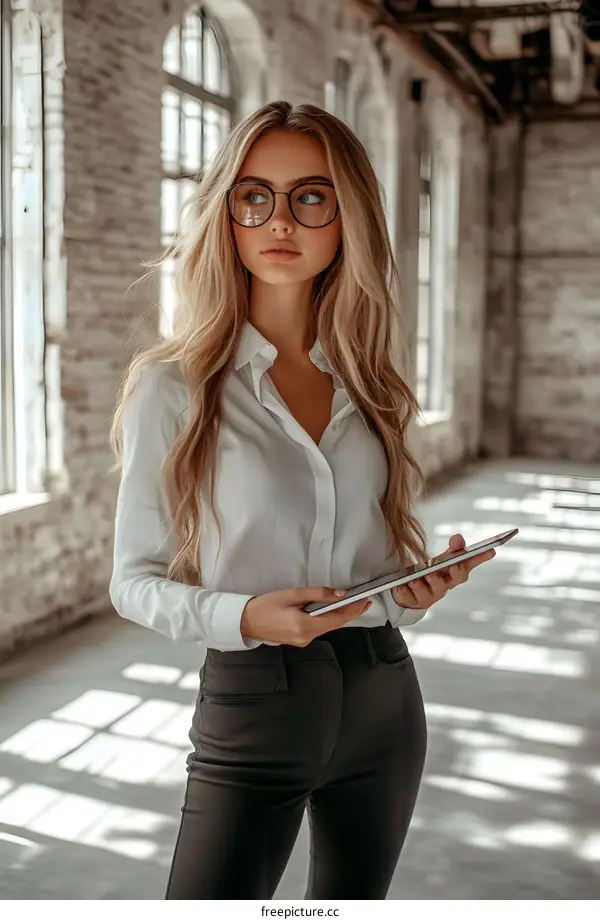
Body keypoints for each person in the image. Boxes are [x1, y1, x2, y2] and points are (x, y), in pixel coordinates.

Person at [109, 100, 496, 900]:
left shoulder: (373, 386)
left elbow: (380, 573)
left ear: (346, 215)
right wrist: (248, 617)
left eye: (310, 196)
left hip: (386, 698)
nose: (278, 219)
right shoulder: (175, 389)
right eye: (254, 195)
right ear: (228, 214)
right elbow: (133, 581)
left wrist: (414, 591)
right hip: (256, 702)